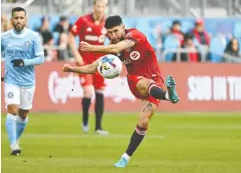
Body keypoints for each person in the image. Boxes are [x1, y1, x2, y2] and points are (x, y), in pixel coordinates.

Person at [63, 15, 179, 167]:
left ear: (123, 27)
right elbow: (93, 67)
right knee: (145, 82)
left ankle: (125, 158)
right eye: (109, 33)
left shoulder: (135, 35)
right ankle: (167, 95)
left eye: (115, 31)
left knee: (143, 122)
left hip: (156, 81)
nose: (113, 35)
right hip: (135, 81)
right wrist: (73, 69)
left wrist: (92, 47)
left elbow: (118, 47)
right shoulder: (112, 46)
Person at [1, 7, 45, 155]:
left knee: (23, 114)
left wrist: (24, 62)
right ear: (12, 20)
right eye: (16, 18)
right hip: (11, 80)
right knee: (12, 109)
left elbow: (41, 58)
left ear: (26, 19)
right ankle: (14, 145)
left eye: (21, 18)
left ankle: (16, 139)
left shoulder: (33, 37)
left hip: (28, 81)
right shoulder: (4, 37)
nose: (18, 20)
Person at [68, 0, 108, 134]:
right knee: (89, 92)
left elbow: (115, 40)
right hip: (84, 61)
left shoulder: (107, 24)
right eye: (98, 6)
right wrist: (77, 55)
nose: (100, 9)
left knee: (100, 92)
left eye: (102, 6)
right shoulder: (83, 20)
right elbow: (70, 36)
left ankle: (98, 127)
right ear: (93, 6)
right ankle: (85, 122)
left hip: (100, 63)